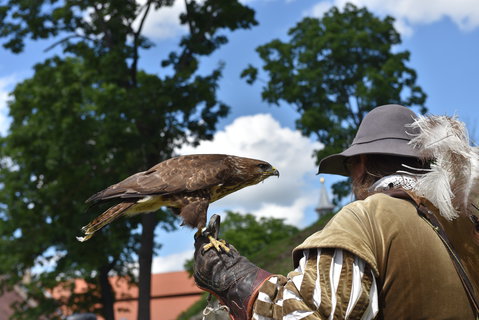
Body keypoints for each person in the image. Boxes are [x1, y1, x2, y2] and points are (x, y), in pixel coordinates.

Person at [193, 104, 479, 319]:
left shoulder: (369, 218)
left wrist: (235, 278)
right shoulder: (465, 231)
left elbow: (306, 313)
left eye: (348, 167)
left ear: (361, 164)